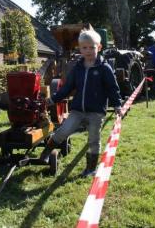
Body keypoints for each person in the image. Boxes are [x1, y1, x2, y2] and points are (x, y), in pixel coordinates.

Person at [40, 29, 123, 177]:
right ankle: (46, 152)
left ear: (99, 47)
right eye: (85, 47)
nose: (88, 50)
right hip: (77, 110)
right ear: (80, 49)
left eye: (92, 47)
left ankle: (90, 168)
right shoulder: (77, 68)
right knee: (63, 131)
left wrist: (117, 105)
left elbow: (112, 88)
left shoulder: (104, 68)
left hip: (96, 112)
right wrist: (53, 99)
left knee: (93, 139)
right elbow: (67, 87)